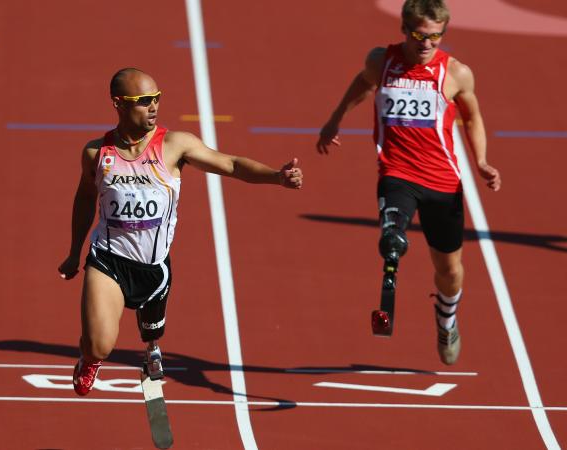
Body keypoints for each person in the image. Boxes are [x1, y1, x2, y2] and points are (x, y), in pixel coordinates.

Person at [57, 68, 303, 396]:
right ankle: (89, 359)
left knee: (153, 328)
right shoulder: (96, 153)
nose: (154, 106)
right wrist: (75, 252)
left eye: (157, 98)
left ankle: (151, 344)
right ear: (119, 103)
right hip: (108, 261)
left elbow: (229, 164)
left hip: (153, 266)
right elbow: (85, 199)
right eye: (144, 101)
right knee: (99, 346)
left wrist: (276, 176)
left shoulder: (174, 145)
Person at [316, 0, 500, 365]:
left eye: (435, 36)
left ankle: (446, 319)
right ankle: (393, 246)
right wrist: (336, 118)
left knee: (448, 271)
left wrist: (480, 161)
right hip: (397, 173)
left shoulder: (456, 73)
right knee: (392, 232)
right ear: (404, 29)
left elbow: (473, 117)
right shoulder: (382, 61)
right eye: (419, 35)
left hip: (443, 182)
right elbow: (362, 83)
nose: (427, 43)